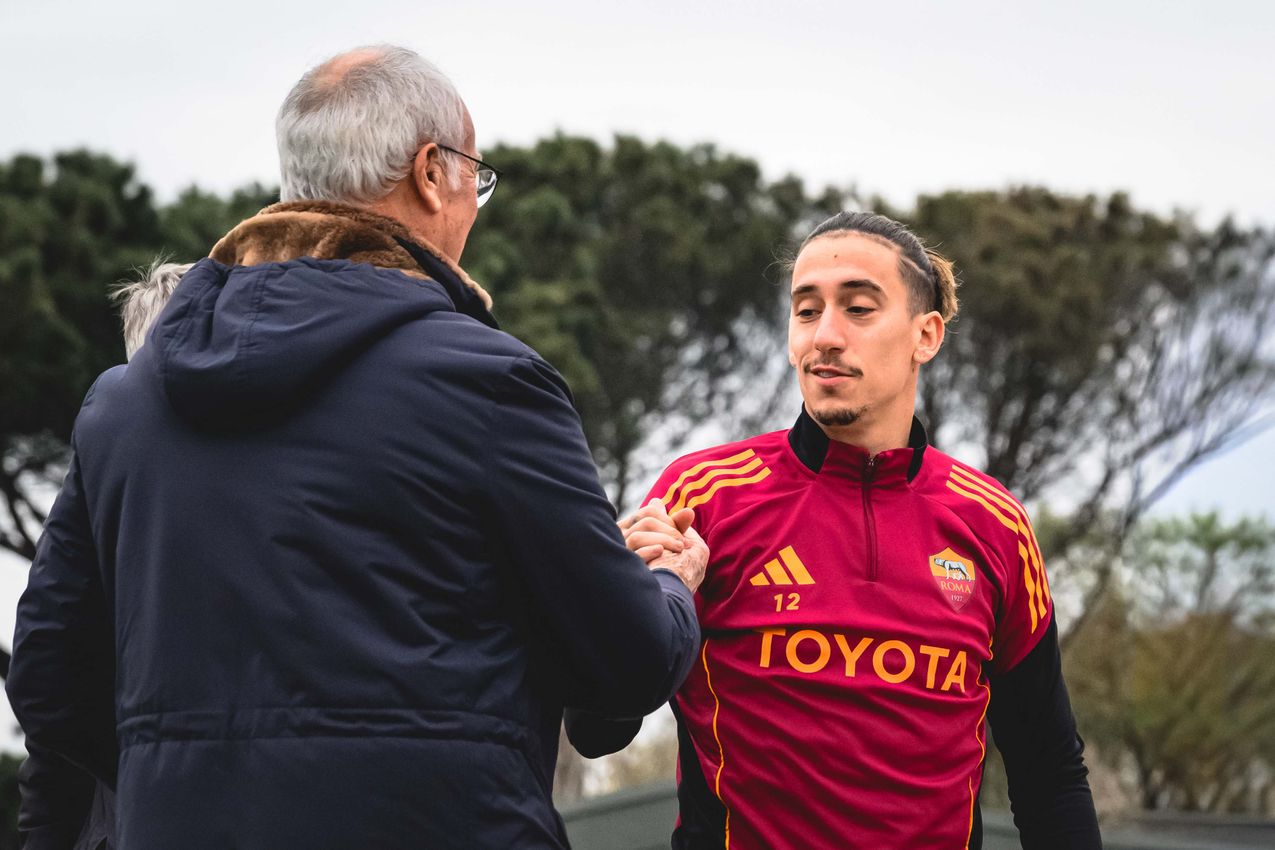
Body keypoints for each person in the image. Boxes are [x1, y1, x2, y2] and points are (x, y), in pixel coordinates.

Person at [7, 45, 705, 850]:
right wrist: (667, 585)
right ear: (430, 171)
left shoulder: (122, 403)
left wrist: (194, 774)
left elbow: (50, 683)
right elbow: (623, 665)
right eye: (473, 177)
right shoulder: (488, 381)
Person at [576, 212, 1102, 849]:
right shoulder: (702, 498)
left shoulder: (995, 524)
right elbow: (595, 730)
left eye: (857, 309)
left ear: (926, 336)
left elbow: (1049, 774)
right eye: (806, 310)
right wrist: (628, 600)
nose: (825, 336)